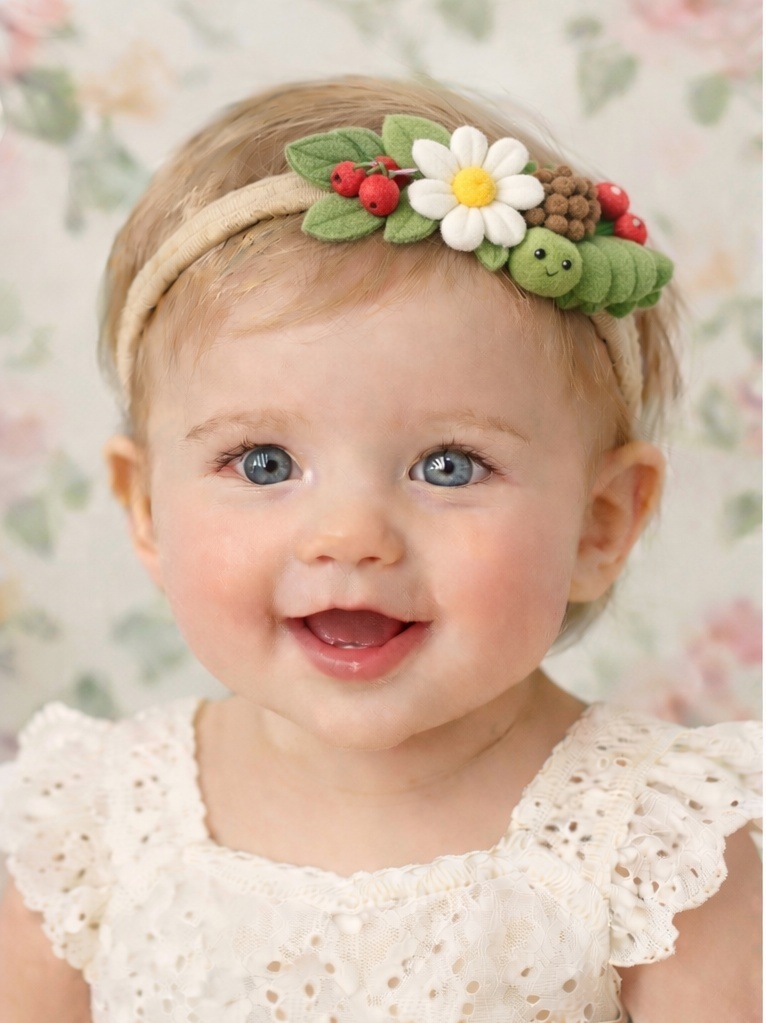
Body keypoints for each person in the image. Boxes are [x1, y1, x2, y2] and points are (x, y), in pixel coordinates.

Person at [0, 76, 760, 1023]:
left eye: (449, 465)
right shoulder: (91, 824)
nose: (350, 535)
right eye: (264, 461)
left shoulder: (658, 848)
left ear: (599, 523)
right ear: (146, 507)